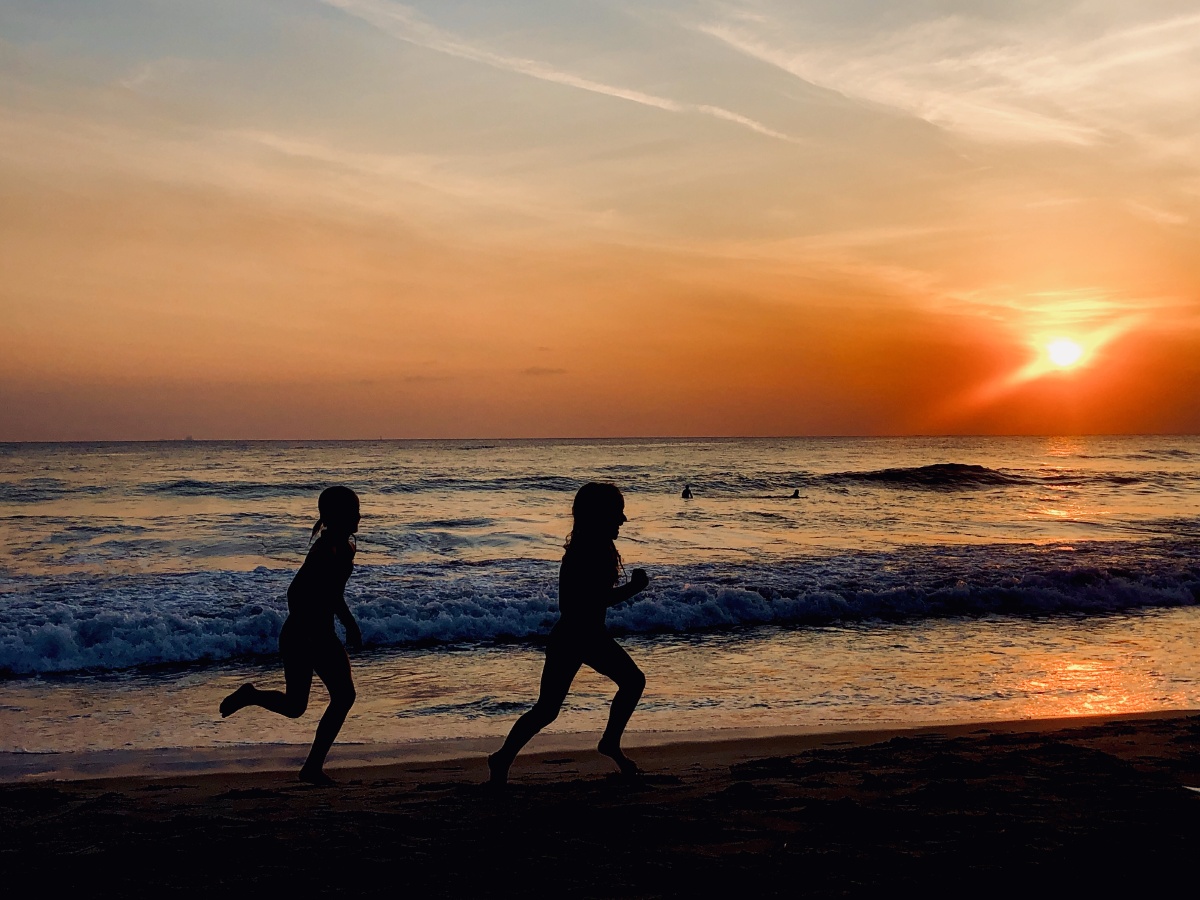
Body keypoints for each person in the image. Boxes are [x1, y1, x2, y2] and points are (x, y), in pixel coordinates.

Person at [488, 482, 649, 785]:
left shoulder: (594, 548)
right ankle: (608, 743)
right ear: (599, 516)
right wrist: (633, 589)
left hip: (580, 636)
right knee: (552, 708)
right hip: (579, 637)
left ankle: (504, 757)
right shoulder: (584, 553)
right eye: (617, 513)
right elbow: (581, 602)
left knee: (549, 708)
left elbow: (592, 598)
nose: (622, 519)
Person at [219, 486, 363, 785]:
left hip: (317, 633)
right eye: (353, 511)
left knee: (314, 703)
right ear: (335, 516)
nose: (358, 517)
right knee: (318, 702)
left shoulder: (345, 547)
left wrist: (345, 625)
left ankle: (309, 766)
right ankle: (309, 765)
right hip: (303, 634)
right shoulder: (324, 551)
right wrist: (318, 628)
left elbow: (334, 594)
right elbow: (295, 593)